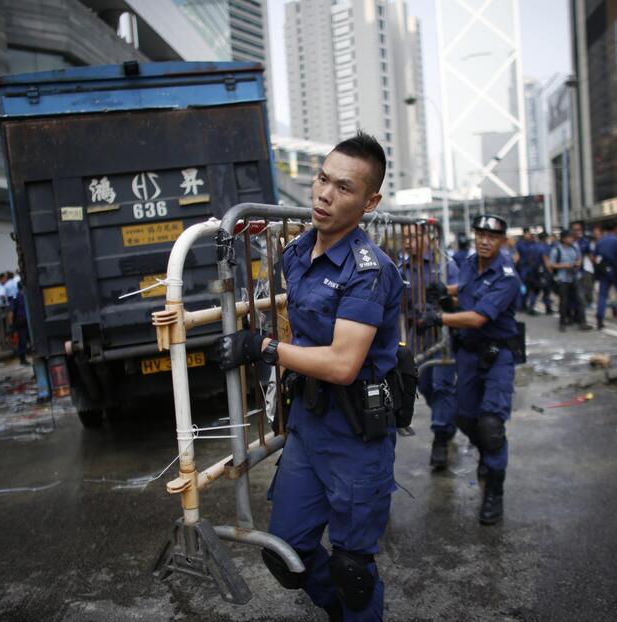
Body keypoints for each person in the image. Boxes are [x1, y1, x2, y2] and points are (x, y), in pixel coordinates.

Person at [218, 132, 403, 620]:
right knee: (285, 553)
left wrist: (263, 348)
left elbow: (343, 363)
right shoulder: (297, 254)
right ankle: (337, 609)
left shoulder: (370, 270)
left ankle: (353, 608)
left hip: (356, 433)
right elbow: (297, 330)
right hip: (309, 423)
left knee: (354, 571)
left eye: (343, 188)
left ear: (370, 201)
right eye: (322, 179)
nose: (324, 194)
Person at [418, 214, 521, 526]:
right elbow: (466, 291)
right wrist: (445, 290)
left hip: (497, 356)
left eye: (492, 236)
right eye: (480, 234)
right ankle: (489, 454)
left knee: (490, 424)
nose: (485, 240)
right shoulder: (469, 262)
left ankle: (494, 488)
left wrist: (440, 319)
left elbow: (477, 317)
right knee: (463, 416)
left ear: (502, 240)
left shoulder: (506, 276)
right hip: (468, 355)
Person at [404, 228, 458, 470]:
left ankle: (440, 438)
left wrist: (443, 303)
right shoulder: (400, 269)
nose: (409, 242)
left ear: (427, 238)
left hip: (444, 334)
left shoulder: (444, 266)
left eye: (414, 236)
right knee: (424, 385)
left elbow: (462, 296)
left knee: (442, 385)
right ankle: (447, 418)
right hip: (417, 336)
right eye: (405, 237)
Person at [548, 230, 591, 332]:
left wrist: (577, 263)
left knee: (580, 300)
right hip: (562, 279)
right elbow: (551, 264)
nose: (571, 239)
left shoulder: (574, 248)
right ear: (563, 239)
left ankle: (582, 322)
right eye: (569, 237)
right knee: (564, 302)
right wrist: (565, 266)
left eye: (572, 237)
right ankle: (562, 323)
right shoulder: (556, 250)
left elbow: (579, 258)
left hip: (575, 277)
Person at [8, 282, 30, 365]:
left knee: (23, 340)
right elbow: (11, 312)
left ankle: (23, 358)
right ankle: (23, 359)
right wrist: (11, 325)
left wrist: (11, 325)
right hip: (23, 321)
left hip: (22, 321)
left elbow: (11, 312)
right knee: (23, 340)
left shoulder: (17, 296)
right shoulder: (21, 296)